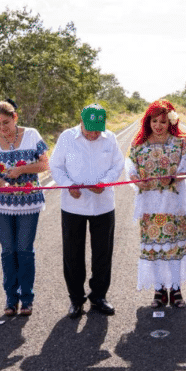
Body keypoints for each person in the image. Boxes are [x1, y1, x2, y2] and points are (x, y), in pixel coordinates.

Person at [50, 103, 125, 319]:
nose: (94, 134)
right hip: (73, 206)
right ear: (81, 122)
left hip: (103, 205)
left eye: (97, 130)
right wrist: (68, 184)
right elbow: (56, 166)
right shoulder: (66, 138)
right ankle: (76, 299)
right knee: (73, 254)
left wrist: (105, 182)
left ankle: (98, 296)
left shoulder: (109, 138)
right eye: (90, 129)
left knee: (103, 252)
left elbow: (117, 165)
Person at [0, 100, 49, 317]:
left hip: (29, 202)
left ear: (15, 117)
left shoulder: (32, 135)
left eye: (6, 122)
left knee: (24, 250)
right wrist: (4, 185)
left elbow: (44, 164)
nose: (2, 128)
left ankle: (26, 298)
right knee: (8, 250)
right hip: (1, 203)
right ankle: (11, 299)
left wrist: (21, 170)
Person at [126, 100, 186, 308]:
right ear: (148, 121)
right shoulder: (138, 145)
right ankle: (159, 289)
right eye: (154, 121)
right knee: (155, 248)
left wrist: (176, 178)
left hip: (173, 205)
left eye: (163, 122)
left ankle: (175, 289)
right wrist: (134, 178)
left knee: (174, 247)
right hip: (150, 205)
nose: (158, 125)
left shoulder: (182, 143)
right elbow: (130, 167)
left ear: (170, 123)